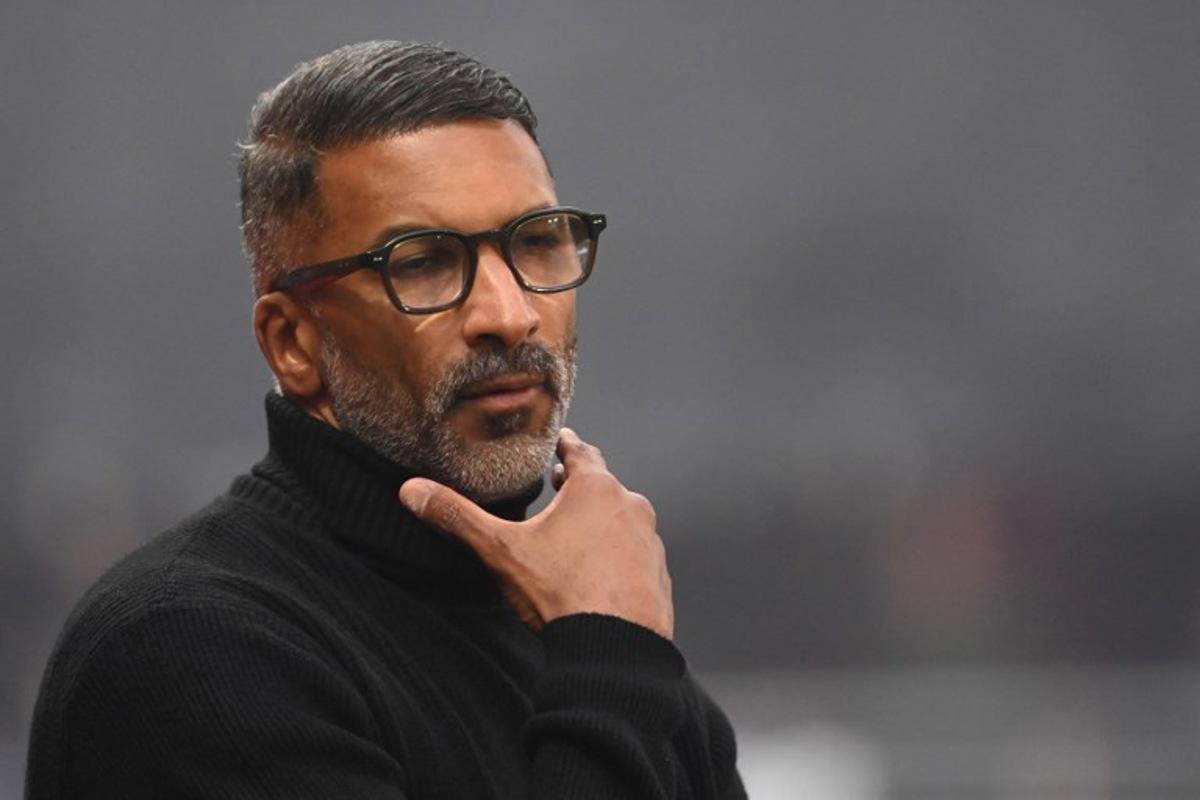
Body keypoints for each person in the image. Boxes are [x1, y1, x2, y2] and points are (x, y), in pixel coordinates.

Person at [25, 41, 745, 799]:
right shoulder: (186, 653)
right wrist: (610, 665)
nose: (510, 314)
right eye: (423, 262)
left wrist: (610, 657)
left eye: (535, 243)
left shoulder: (598, 646)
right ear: (293, 343)